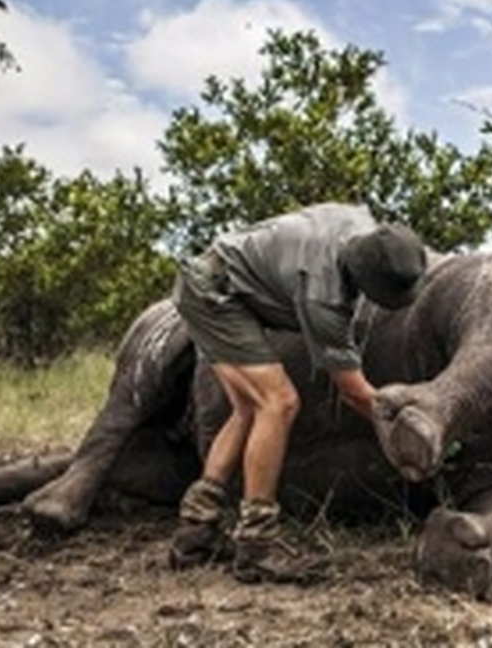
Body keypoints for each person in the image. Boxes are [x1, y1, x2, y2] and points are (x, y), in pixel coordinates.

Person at [167, 202, 427, 581]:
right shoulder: (322, 294)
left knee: (246, 410)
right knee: (279, 402)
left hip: (212, 278)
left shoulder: (362, 225)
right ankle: (256, 547)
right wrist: (407, 429)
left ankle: (196, 529)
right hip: (215, 295)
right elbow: (354, 392)